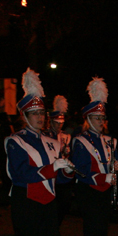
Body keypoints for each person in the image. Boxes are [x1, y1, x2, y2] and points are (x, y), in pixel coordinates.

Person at [0, 69, 73, 236]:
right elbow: (19, 174)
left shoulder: (52, 142)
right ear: (24, 116)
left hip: (49, 199)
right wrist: (52, 168)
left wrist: (67, 172)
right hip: (26, 198)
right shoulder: (15, 140)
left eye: (42, 113)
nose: (40, 117)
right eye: (34, 113)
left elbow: (58, 179)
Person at [69, 77, 117, 236]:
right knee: (92, 230)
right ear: (88, 119)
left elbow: (110, 162)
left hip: (104, 190)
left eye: (102, 118)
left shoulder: (109, 140)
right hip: (88, 189)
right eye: (96, 118)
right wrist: (102, 178)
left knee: (102, 231)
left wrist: (115, 166)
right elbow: (80, 170)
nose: (100, 121)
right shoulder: (80, 141)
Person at [45, 95, 74, 227]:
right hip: (52, 175)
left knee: (64, 205)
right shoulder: (45, 135)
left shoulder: (66, 136)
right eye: (56, 123)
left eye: (61, 123)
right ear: (51, 121)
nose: (59, 125)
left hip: (63, 177)